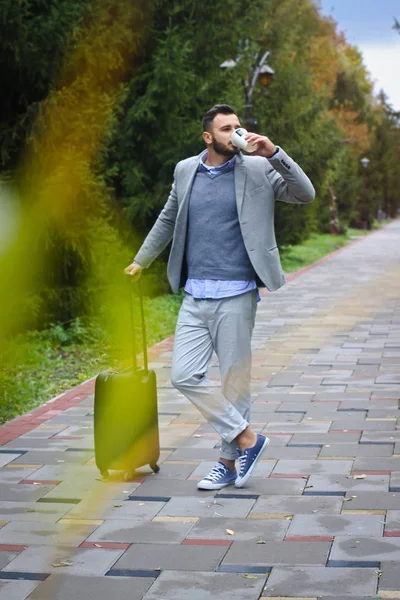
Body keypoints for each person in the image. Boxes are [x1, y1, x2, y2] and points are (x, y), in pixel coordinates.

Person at [125, 104, 315, 490]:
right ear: (208, 137)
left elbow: (305, 194)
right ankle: (248, 439)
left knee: (234, 382)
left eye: (238, 126)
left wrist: (274, 153)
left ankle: (228, 462)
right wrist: (140, 260)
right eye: (226, 129)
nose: (236, 133)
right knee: (183, 375)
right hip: (195, 294)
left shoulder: (259, 169)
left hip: (237, 293)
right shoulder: (185, 170)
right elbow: (168, 217)